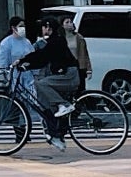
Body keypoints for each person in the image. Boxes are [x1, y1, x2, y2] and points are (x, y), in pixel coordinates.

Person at [20, 17, 80, 151]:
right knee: (47, 104)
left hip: (68, 76)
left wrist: (22, 61)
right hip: (63, 75)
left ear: (48, 27)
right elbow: (42, 59)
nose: (42, 29)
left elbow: (42, 56)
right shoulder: (54, 41)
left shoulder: (56, 41)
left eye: (43, 27)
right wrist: (25, 64)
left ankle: (64, 105)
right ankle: (56, 136)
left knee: (41, 85)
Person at [63, 15, 92, 96]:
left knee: (80, 89)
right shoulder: (61, 38)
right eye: (67, 22)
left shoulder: (79, 37)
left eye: (71, 22)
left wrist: (88, 69)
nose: (70, 24)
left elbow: (85, 54)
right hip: (66, 66)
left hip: (78, 66)